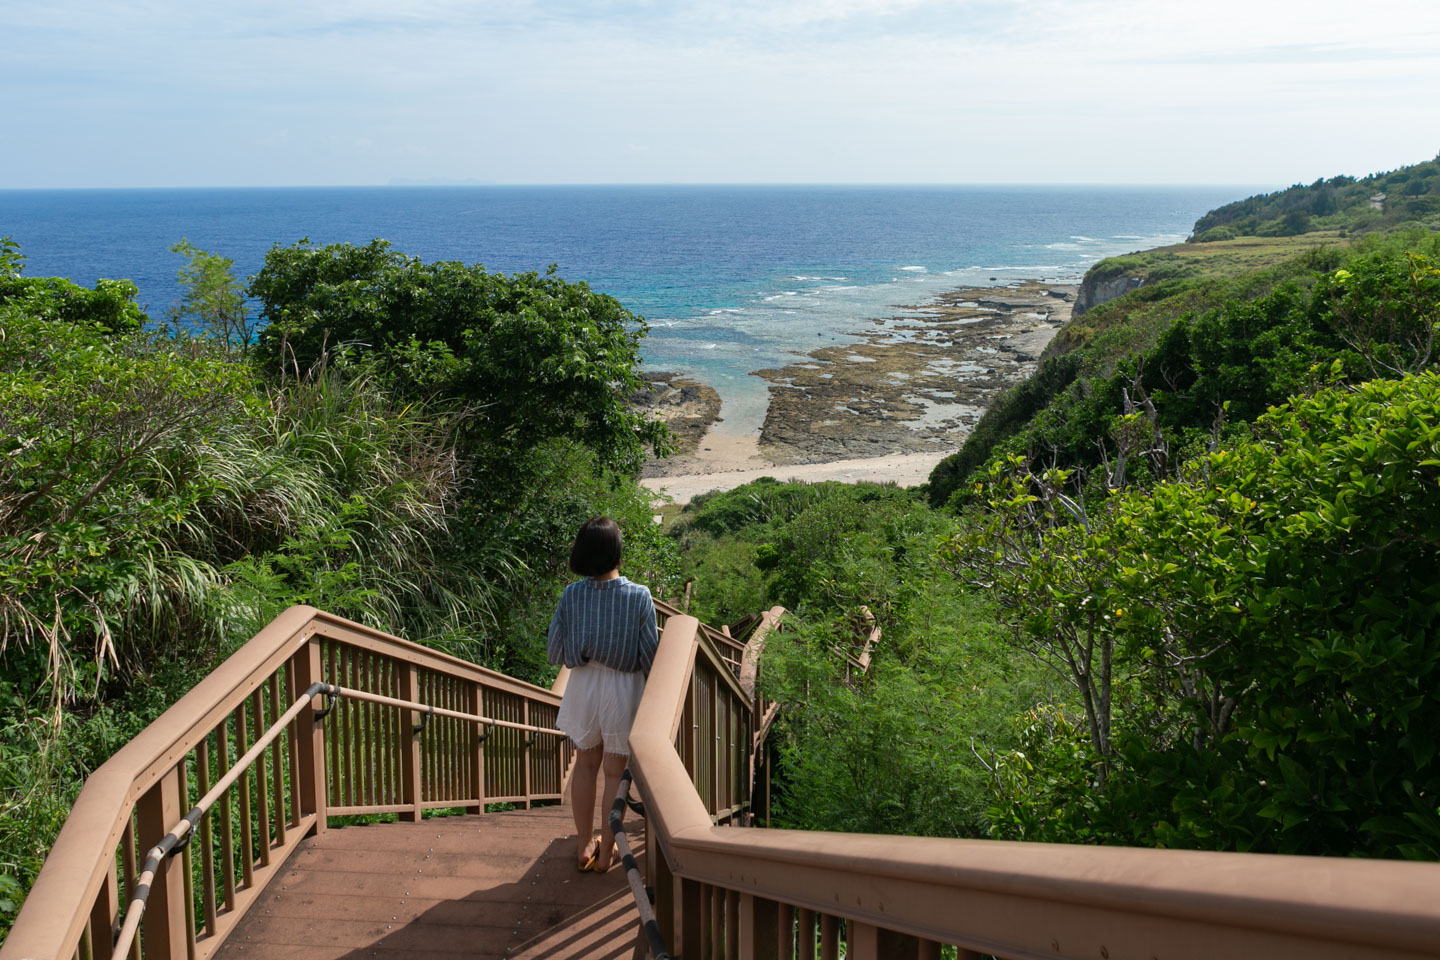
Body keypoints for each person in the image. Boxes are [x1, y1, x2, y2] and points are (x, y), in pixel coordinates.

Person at [547, 516, 658, 873]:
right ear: (616, 552)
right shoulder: (639, 596)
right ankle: (607, 852)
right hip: (623, 688)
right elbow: (649, 657)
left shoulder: (572, 595)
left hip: (583, 685)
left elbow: (555, 652)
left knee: (585, 764)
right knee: (614, 773)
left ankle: (584, 845)